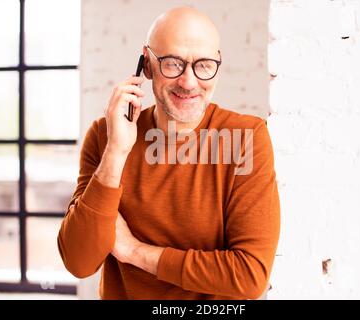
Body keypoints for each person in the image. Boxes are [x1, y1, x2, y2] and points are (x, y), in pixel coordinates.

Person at [58, 6, 280, 300]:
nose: (188, 82)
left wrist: (134, 252)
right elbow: (79, 262)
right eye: (173, 63)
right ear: (146, 64)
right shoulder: (105, 136)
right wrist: (116, 152)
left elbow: (249, 276)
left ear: (218, 65)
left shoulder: (246, 138)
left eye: (203, 65)